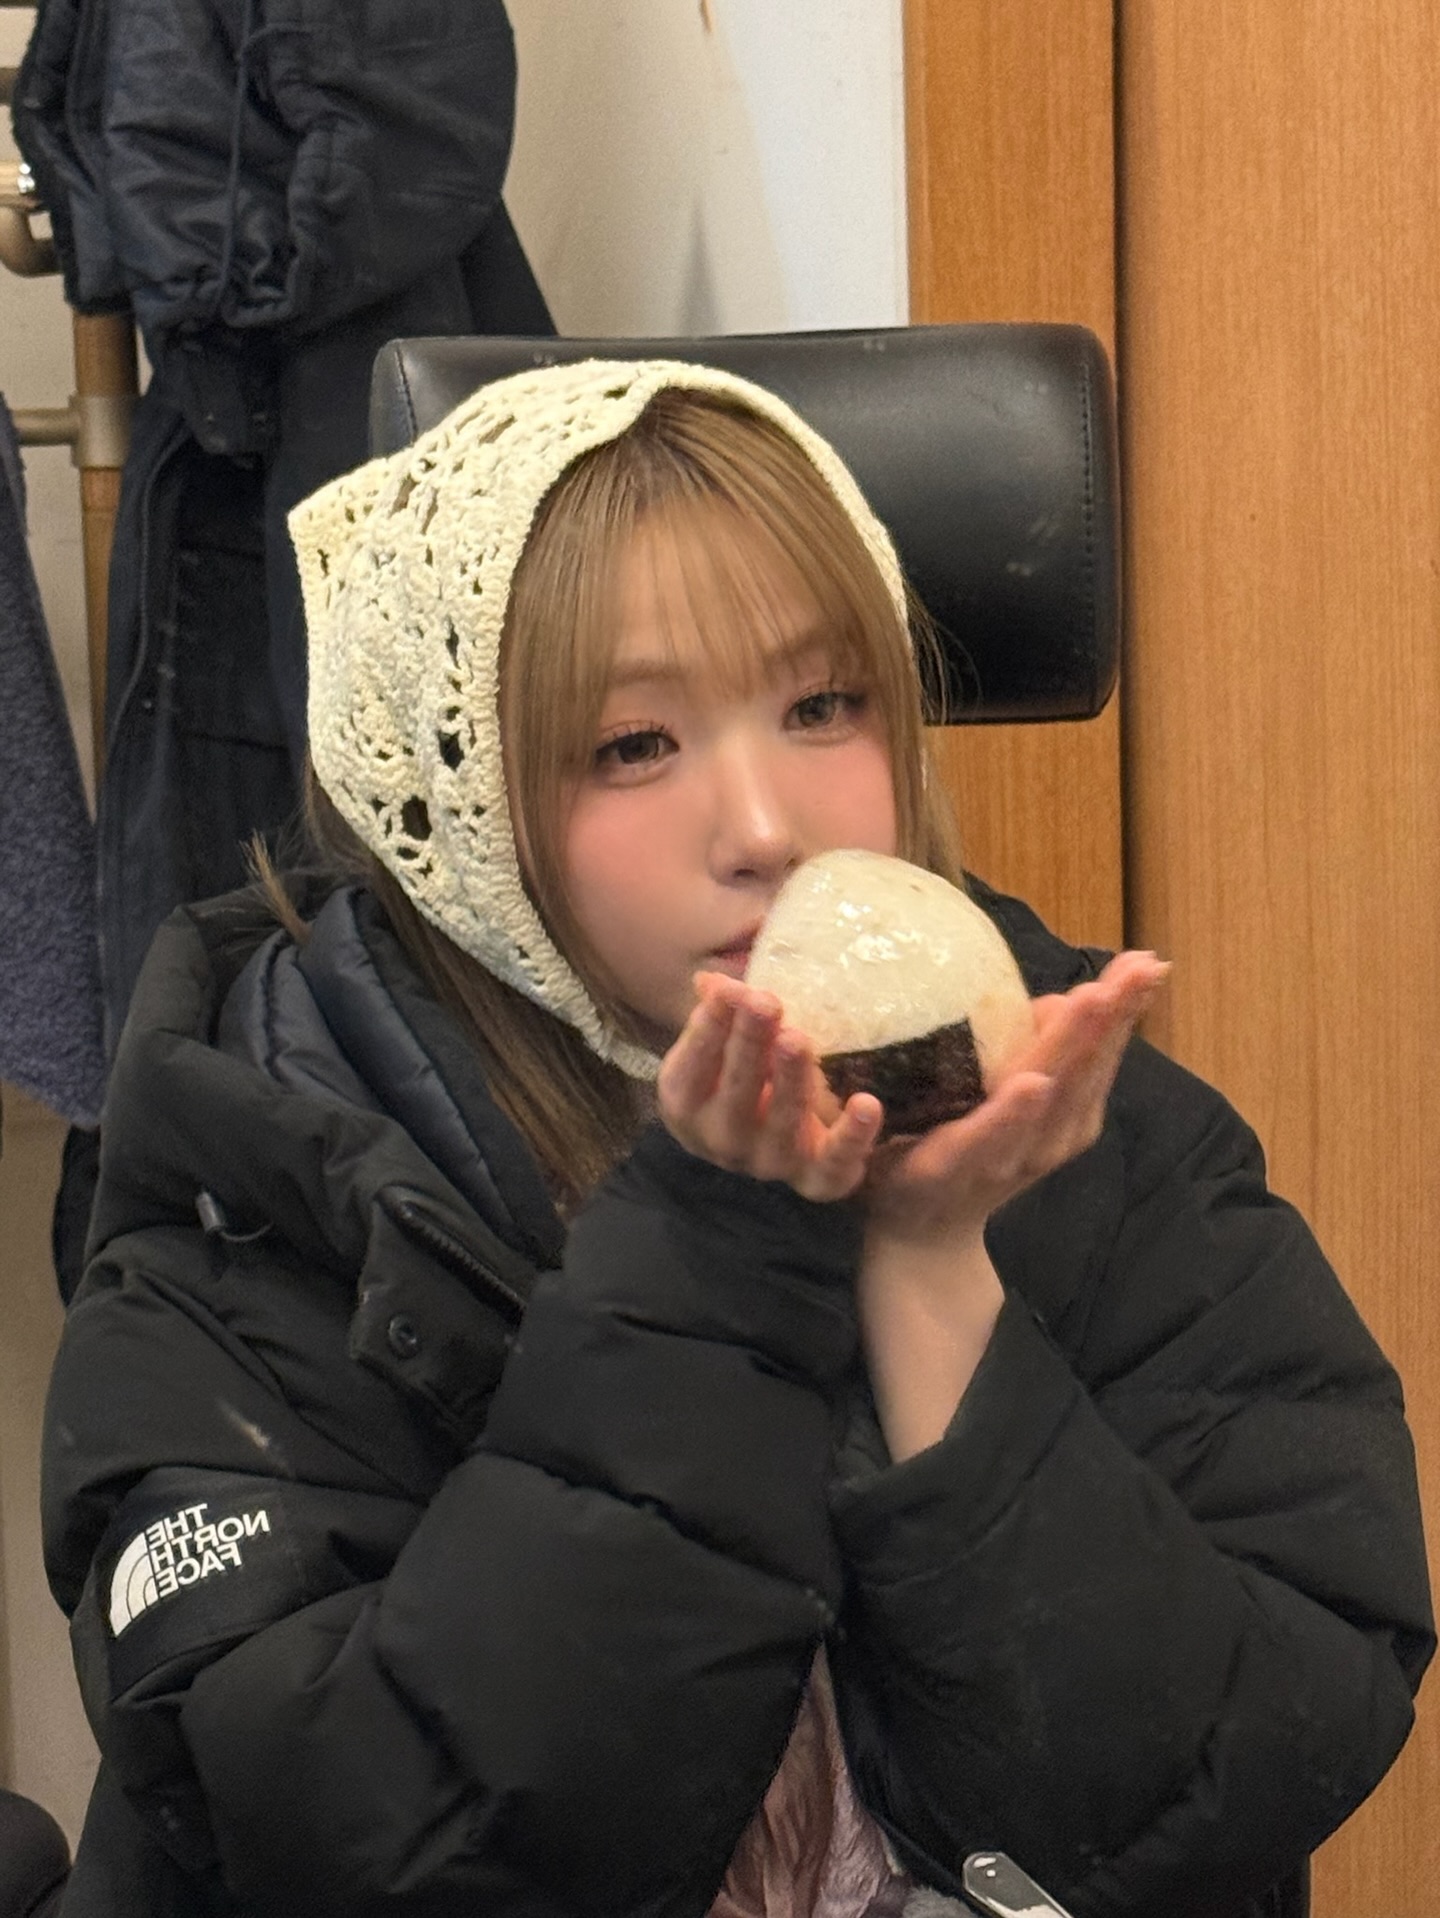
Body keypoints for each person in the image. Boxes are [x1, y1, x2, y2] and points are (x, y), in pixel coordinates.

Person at [42, 360, 1431, 1918]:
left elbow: (1241, 1766)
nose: (767, 825)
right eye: (634, 743)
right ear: (466, 793)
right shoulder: (251, 1211)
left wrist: (934, 1276)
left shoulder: (1094, 1134)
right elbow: (379, 1850)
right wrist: (714, 1247)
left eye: (823, 705)